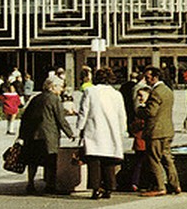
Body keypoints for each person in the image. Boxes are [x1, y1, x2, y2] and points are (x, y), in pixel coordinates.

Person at [76, 68, 128, 199]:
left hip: (94, 129)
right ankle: (109, 187)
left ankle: (96, 188)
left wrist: (79, 127)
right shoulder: (116, 94)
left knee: (94, 161)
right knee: (109, 160)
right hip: (111, 131)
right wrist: (122, 130)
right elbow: (122, 114)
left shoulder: (90, 91)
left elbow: (84, 111)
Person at [18, 78, 75, 194]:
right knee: (50, 160)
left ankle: (30, 183)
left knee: (33, 161)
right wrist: (70, 133)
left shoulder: (36, 98)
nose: (62, 89)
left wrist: (22, 134)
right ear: (53, 87)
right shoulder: (54, 99)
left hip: (33, 134)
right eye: (60, 86)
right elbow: (60, 118)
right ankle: (50, 185)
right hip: (48, 135)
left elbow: (25, 117)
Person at [134, 67, 181, 197]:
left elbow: (151, 112)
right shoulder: (168, 91)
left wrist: (138, 110)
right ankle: (175, 185)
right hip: (167, 130)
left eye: (148, 77)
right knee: (167, 158)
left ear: (155, 77)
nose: (146, 80)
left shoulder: (156, 92)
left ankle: (160, 187)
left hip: (156, 131)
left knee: (154, 159)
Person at [126, 86, 151, 192]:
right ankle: (136, 182)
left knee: (141, 163)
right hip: (141, 141)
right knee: (140, 163)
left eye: (141, 95)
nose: (139, 98)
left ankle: (136, 182)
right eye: (138, 95)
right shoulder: (140, 110)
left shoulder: (146, 110)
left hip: (143, 140)